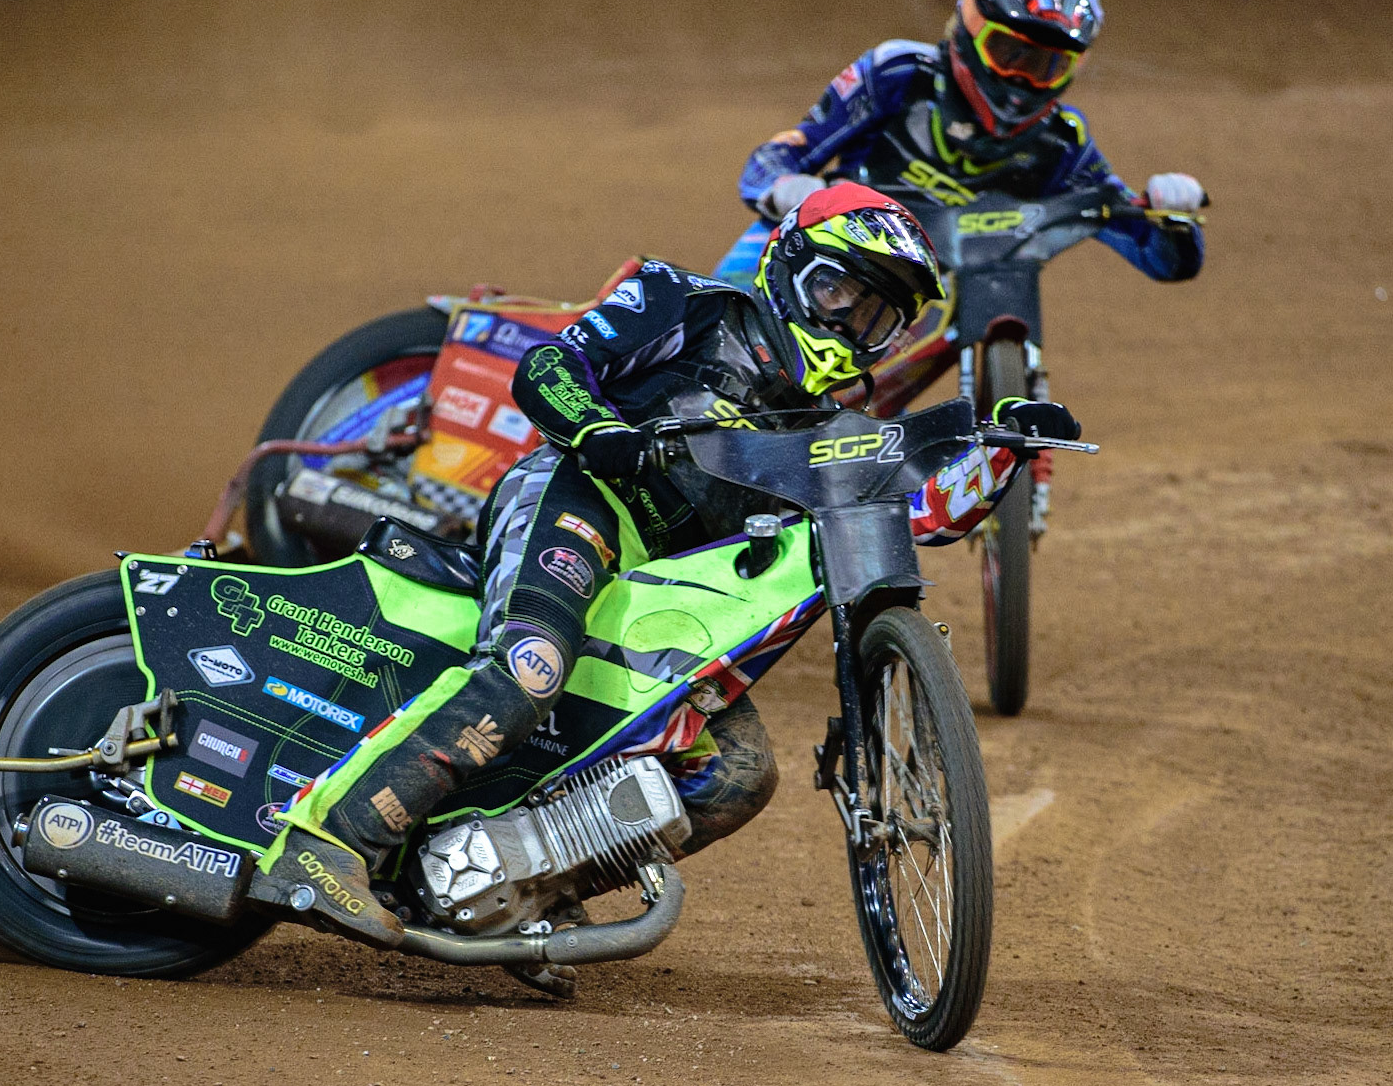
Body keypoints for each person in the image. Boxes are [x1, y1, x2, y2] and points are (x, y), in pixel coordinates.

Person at [263, 185, 1080, 975]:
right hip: (581, 495)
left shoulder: (832, 431)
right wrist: (598, 427)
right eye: (836, 288)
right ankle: (330, 840)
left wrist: (1004, 455)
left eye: (873, 314)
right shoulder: (684, 301)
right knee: (528, 668)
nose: (846, 319)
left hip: (668, 590)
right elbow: (549, 365)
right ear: (790, 264)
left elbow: (928, 514)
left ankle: (513, 893)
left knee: (737, 773)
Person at [713, 0, 1205, 290]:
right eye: (1008, 53)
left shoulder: (1061, 144)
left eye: (1045, 66)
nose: (1019, 80)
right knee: (717, 320)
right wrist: (784, 188)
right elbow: (783, 154)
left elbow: (1162, 260)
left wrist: (1175, 219)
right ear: (969, 32)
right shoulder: (899, 73)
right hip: (809, 254)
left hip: (897, 301)